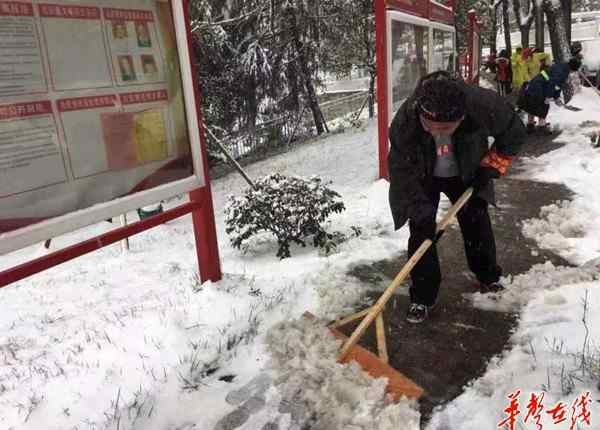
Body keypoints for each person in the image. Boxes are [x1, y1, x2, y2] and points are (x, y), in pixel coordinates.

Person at [388, 71, 526, 324]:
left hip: (468, 172)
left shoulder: (482, 105)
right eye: (430, 128)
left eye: (446, 129)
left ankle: (488, 277)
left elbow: (514, 132)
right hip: (423, 175)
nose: (437, 134)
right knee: (421, 232)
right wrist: (417, 206)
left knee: (477, 223)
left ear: (462, 117)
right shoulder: (406, 120)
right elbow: (400, 169)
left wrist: (492, 165)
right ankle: (422, 296)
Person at [517, 57, 582, 134]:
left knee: (532, 104)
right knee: (543, 105)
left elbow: (557, 86)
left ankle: (530, 125)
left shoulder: (562, 66)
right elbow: (553, 84)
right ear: (573, 68)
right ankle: (542, 127)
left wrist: (556, 97)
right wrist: (548, 96)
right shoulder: (562, 72)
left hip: (536, 84)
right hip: (539, 86)